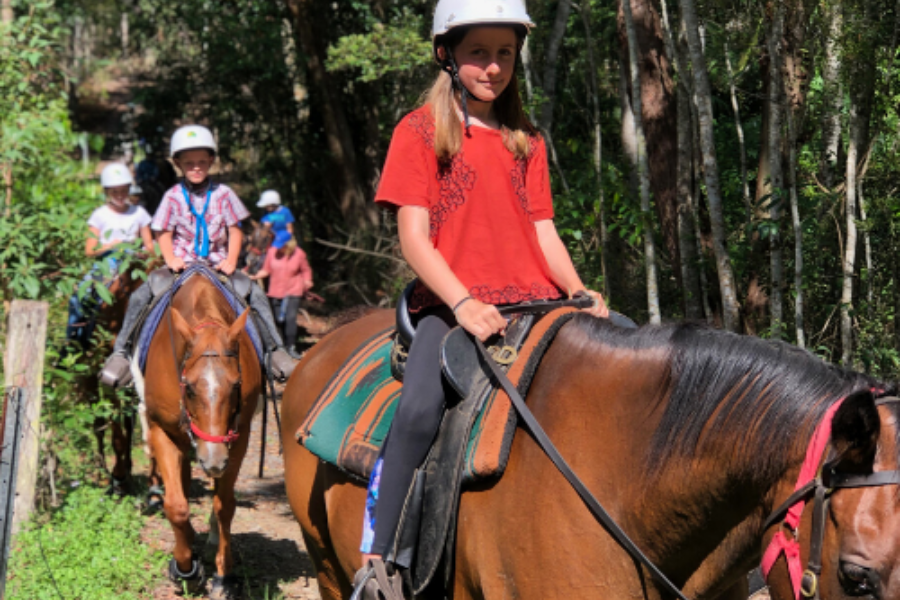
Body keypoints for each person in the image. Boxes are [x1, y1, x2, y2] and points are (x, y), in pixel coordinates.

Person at [356, 0, 609, 575]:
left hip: (535, 299)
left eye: (504, 53)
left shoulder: (526, 138)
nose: (493, 67)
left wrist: (578, 291)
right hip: (452, 305)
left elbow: (543, 229)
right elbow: (415, 239)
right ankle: (379, 557)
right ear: (447, 55)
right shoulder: (419, 131)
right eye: (478, 53)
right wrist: (464, 303)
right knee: (419, 409)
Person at [99, 125, 298, 388]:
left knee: (255, 293)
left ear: (211, 161)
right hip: (181, 265)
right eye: (190, 163)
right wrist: (170, 259)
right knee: (140, 296)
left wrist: (231, 259)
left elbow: (234, 231)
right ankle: (122, 353)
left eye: (202, 162)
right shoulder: (171, 197)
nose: (196, 167)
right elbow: (163, 233)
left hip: (217, 264)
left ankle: (275, 350)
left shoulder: (224, 194)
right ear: (178, 163)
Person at [66, 163, 154, 345]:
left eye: (123, 190)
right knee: (81, 296)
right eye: (114, 192)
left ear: (129, 189)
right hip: (108, 262)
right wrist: (110, 245)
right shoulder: (100, 215)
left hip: (134, 260)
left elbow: (149, 245)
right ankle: (75, 341)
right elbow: (89, 250)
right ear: (107, 192)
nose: (120, 196)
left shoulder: (140, 213)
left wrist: (143, 252)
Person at [249, 235, 313, 358]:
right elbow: (266, 270)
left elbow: (306, 270)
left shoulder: (299, 254)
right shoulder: (272, 252)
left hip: (293, 290)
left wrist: (307, 281)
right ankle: (281, 346)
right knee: (278, 320)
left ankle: (291, 347)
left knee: (290, 319)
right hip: (275, 292)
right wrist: (253, 276)